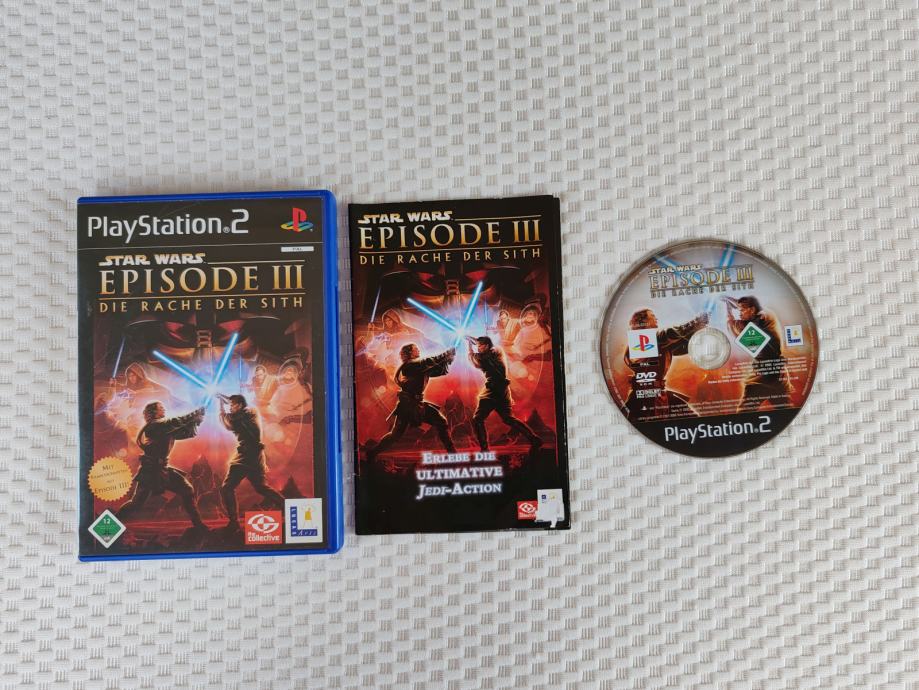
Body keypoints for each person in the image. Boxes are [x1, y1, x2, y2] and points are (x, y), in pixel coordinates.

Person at [117, 402, 206, 530]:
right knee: (136, 504)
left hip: (162, 469)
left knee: (187, 490)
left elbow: (186, 432)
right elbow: (175, 422)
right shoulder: (154, 425)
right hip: (151, 471)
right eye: (160, 408)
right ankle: (106, 530)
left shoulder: (164, 427)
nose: (164, 409)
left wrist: (196, 421)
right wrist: (195, 413)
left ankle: (199, 526)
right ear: (153, 412)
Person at [368, 343, 457, 459]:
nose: (418, 350)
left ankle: (452, 453)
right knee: (395, 435)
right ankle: (372, 453)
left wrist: (448, 360)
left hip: (417, 404)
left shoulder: (419, 366)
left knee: (441, 421)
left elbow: (439, 370)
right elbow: (428, 362)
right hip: (407, 406)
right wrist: (446, 354)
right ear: (409, 353)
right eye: (416, 349)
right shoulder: (410, 365)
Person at [622, 308, 709, 419]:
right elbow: (669, 334)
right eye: (652, 316)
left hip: (658, 393)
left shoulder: (657, 343)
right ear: (643, 321)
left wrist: (699, 328)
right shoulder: (639, 340)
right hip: (644, 398)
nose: (656, 318)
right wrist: (695, 323)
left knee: (692, 418)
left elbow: (682, 345)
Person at [218, 394, 285, 530]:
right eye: (230, 405)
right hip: (251, 456)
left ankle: (234, 522)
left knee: (228, 488)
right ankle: (286, 507)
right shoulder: (247, 413)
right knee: (260, 487)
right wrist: (223, 398)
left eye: (233, 405)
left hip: (247, 457)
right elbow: (231, 419)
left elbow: (230, 422)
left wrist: (221, 406)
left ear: (240, 405)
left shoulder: (247, 413)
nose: (230, 407)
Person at [467, 336, 542, 452]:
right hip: (502, 391)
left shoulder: (491, 354)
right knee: (508, 418)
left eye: (480, 346)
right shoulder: (496, 351)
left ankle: (484, 449)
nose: (478, 348)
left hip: (492, 392)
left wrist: (470, 347)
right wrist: (472, 340)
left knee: (478, 419)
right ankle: (534, 439)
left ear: (486, 346)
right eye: (478, 346)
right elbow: (479, 358)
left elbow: (479, 359)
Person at [724, 296, 792, 411]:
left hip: (761, 380)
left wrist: (729, 311)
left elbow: (733, 324)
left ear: (752, 309)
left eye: (742, 311)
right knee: (784, 408)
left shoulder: (750, 328)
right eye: (739, 310)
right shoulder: (767, 316)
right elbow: (750, 306)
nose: (740, 314)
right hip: (778, 377)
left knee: (745, 413)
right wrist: (730, 300)